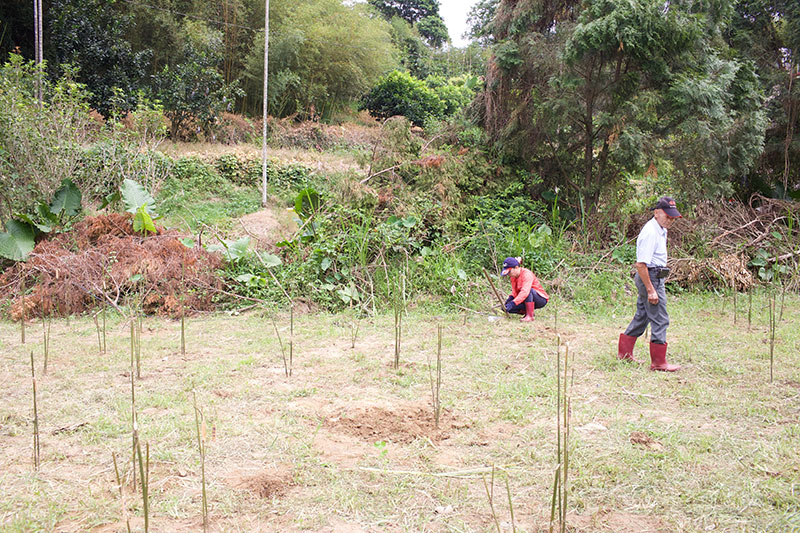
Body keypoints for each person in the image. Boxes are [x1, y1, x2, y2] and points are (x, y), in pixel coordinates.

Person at [618, 196, 682, 371]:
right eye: (667, 216)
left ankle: (624, 354)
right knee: (660, 318)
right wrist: (651, 289)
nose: (670, 221)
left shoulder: (660, 229)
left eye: (672, 218)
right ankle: (659, 363)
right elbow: (641, 264)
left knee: (643, 316)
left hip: (655, 275)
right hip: (650, 276)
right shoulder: (650, 232)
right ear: (656, 213)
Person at [500, 257, 549, 322]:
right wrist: (509, 300)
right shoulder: (513, 277)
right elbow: (515, 292)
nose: (509, 274)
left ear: (516, 268)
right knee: (508, 308)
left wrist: (513, 303)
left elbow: (525, 292)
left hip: (540, 299)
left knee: (529, 291)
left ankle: (530, 316)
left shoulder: (527, 274)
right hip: (525, 298)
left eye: (509, 272)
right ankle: (527, 311)